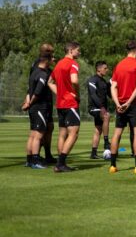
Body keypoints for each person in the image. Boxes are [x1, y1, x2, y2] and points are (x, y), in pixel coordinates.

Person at [109, 41, 136, 174]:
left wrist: (117, 103)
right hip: (134, 105)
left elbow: (113, 86)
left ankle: (113, 165)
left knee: (117, 133)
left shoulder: (119, 65)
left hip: (120, 105)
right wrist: (128, 103)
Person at [48, 42, 82, 172]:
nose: (79, 53)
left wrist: (60, 93)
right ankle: (60, 163)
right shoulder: (73, 63)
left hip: (60, 104)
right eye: (78, 50)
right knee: (74, 133)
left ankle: (60, 162)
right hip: (70, 103)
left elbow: (49, 82)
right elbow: (74, 80)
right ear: (71, 50)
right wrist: (76, 94)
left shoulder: (58, 64)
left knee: (62, 134)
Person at [26, 43, 57, 164]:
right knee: (38, 134)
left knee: (37, 132)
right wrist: (29, 101)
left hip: (41, 104)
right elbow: (36, 91)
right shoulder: (41, 71)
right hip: (41, 105)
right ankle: (35, 159)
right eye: (51, 54)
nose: (53, 57)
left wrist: (28, 102)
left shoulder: (40, 68)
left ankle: (32, 159)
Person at [87, 61, 111, 159]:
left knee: (98, 130)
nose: (107, 70)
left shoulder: (104, 81)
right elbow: (93, 95)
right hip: (94, 108)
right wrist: (102, 107)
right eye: (105, 68)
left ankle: (93, 153)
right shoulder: (92, 80)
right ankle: (106, 143)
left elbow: (109, 95)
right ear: (98, 69)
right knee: (106, 116)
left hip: (101, 108)